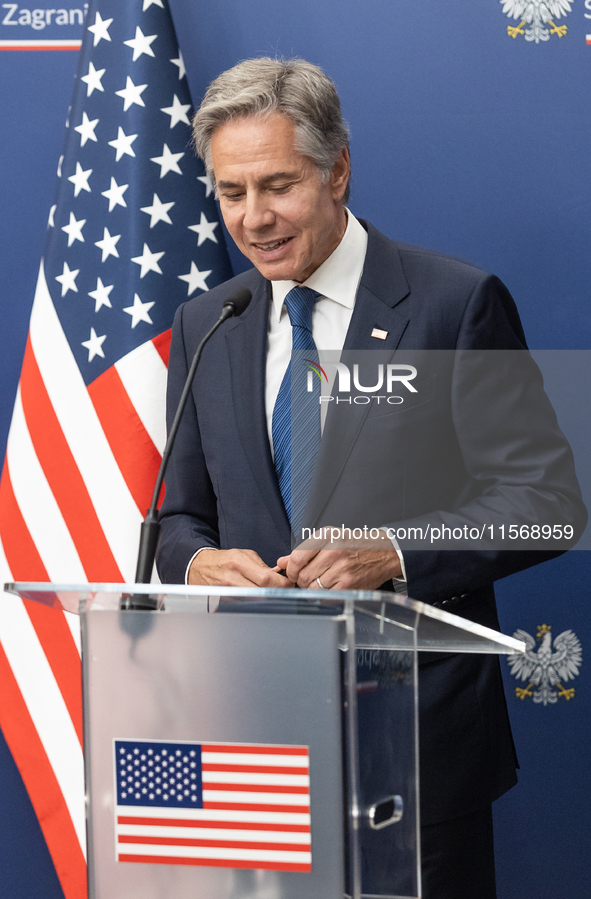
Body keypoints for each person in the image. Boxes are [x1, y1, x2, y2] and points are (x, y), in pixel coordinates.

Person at [156, 57, 586, 898]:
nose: (253, 217)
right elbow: (178, 517)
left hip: (414, 749)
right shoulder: (208, 321)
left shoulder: (452, 303)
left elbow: (547, 504)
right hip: (256, 744)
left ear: (337, 169)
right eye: (230, 192)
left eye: (276, 185)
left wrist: (393, 550)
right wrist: (194, 563)